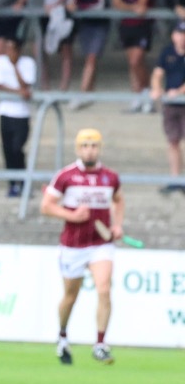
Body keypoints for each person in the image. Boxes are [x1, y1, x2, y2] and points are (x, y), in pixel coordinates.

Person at [41, 128, 123, 366]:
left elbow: (119, 200)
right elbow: (46, 206)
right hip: (73, 245)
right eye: (85, 146)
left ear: (100, 148)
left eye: (94, 146)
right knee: (70, 296)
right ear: (78, 149)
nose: (90, 150)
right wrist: (72, 215)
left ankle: (100, 344)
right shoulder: (66, 176)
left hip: (101, 244)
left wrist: (117, 225)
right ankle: (63, 336)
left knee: (104, 289)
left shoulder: (110, 177)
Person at [0, 35, 36, 197]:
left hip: (22, 114)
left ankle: (23, 181)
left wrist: (15, 66)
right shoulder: (0, 61)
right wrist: (18, 92)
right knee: (7, 150)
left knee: (18, 148)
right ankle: (12, 183)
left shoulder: (28, 63)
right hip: (5, 113)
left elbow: (26, 85)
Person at [111, 0, 155, 113]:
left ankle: (147, 94)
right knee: (133, 64)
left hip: (142, 25)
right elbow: (116, 2)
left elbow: (143, 1)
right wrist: (132, 8)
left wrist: (130, 6)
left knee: (137, 61)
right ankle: (138, 96)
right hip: (126, 24)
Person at [62, 0, 109, 109]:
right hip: (84, 25)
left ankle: (82, 94)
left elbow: (100, 5)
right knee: (89, 58)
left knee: (91, 58)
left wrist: (81, 7)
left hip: (99, 25)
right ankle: (90, 92)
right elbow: (70, 3)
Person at [149, 20, 185, 194]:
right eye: (179, 33)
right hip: (171, 104)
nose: (182, 37)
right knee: (172, 141)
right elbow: (157, 74)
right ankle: (175, 178)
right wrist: (156, 88)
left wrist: (178, 92)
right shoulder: (167, 52)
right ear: (173, 36)